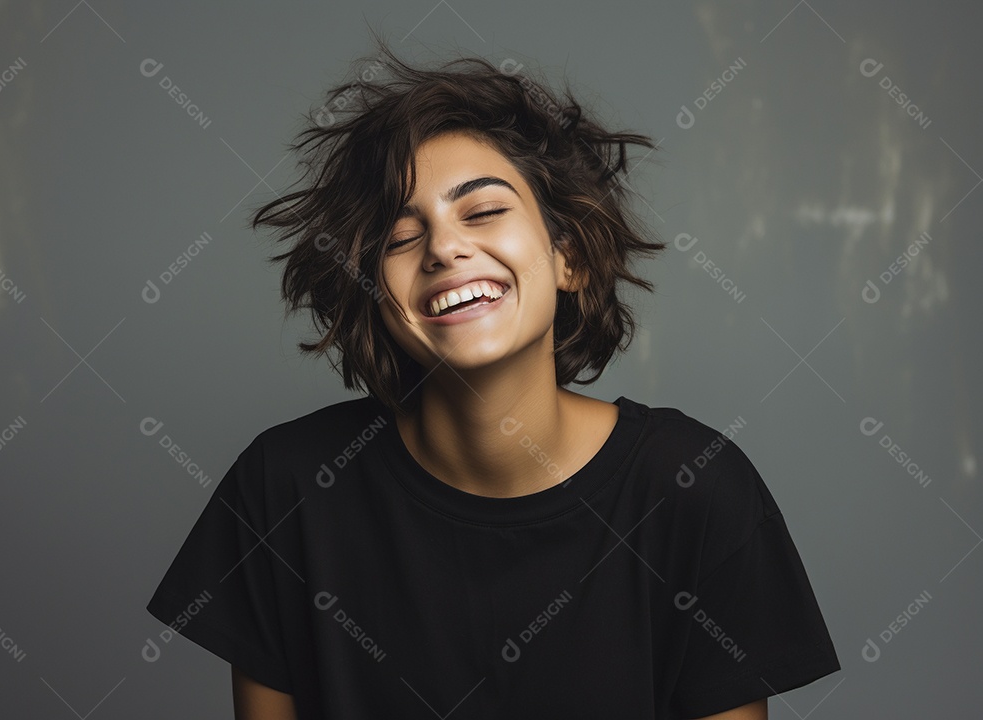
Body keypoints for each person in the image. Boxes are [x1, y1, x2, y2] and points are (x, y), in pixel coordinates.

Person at [146, 31, 840, 719]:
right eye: (400, 236)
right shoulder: (284, 488)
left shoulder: (694, 488)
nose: (445, 248)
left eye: (482, 211)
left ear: (570, 258)